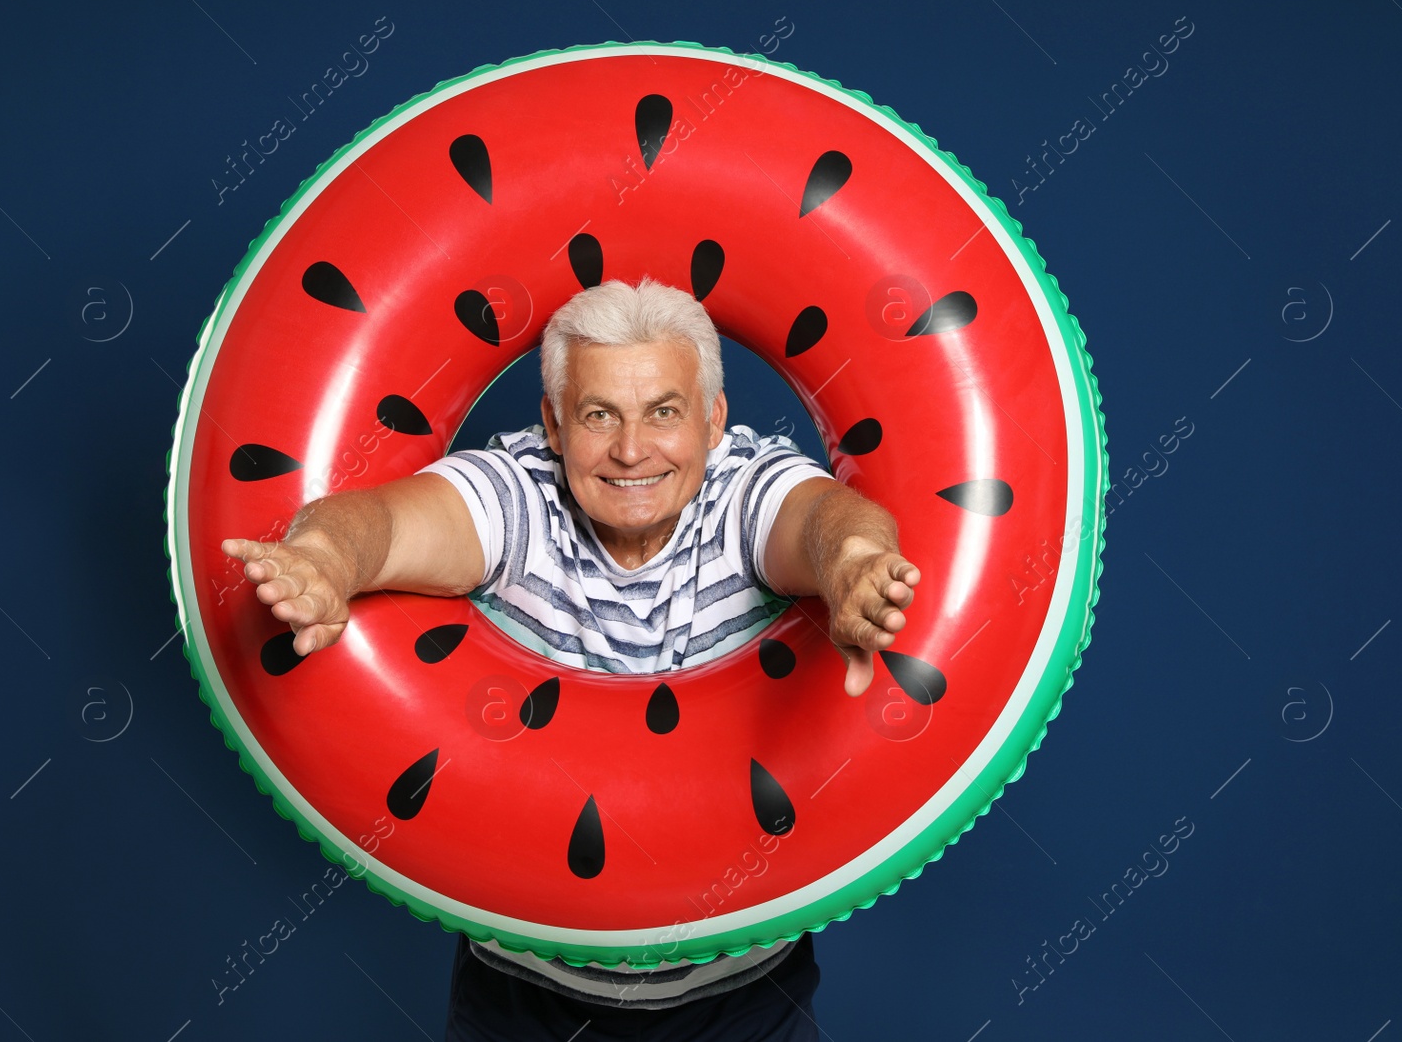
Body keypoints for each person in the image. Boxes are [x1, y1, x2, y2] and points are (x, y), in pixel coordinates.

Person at [221, 276, 921, 1040]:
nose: (630, 450)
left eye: (664, 411)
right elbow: (387, 524)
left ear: (714, 419)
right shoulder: (517, 489)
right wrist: (324, 557)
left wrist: (855, 564)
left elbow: (820, 517)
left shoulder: (745, 483)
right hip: (524, 994)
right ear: (554, 424)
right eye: (598, 416)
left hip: (743, 997)